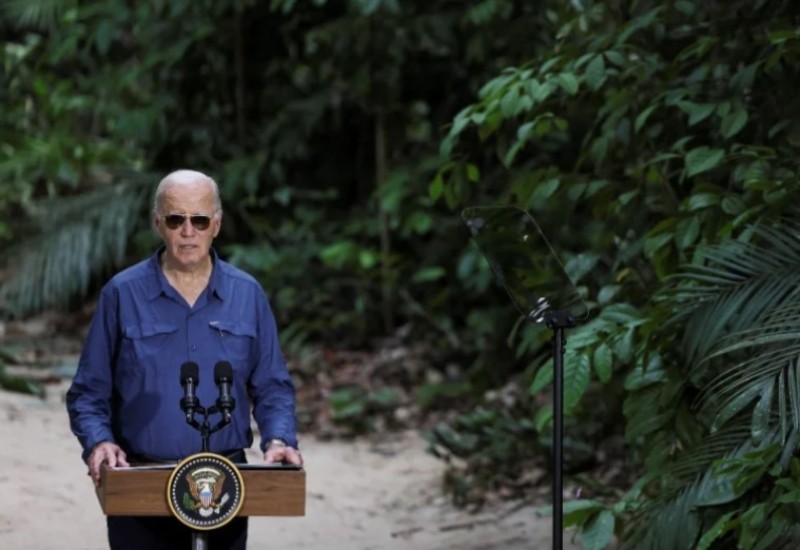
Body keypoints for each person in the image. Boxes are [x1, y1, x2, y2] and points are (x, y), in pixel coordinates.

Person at [66, 169, 302, 549]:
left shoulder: (248, 294)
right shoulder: (122, 294)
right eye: (176, 219)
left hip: (226, 484)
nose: (188, 231)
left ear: (217, 224)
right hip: (141, 481)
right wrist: (99, 443)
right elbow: (88, 392)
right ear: (158, 223)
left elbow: (272, 385)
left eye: (200, 219)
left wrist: (278, 438)